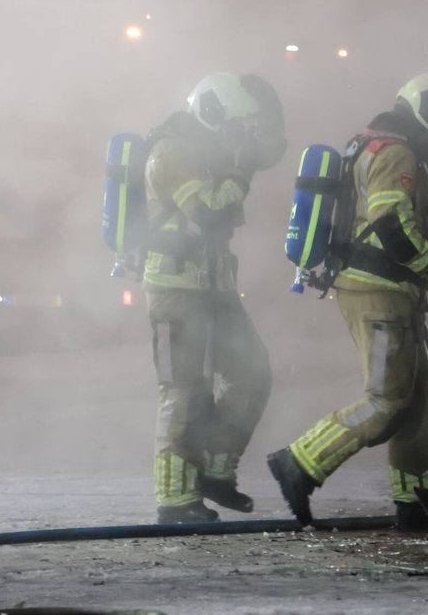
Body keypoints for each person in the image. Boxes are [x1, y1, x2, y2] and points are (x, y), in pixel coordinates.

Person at [267, 72, 428, 531]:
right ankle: (298, 464)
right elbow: (391, 223)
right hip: (377, 295)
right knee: (385, 401)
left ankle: (419, 502)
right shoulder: (394, 153)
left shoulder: (378, 146)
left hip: (392, 294)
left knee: (417, 403)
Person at [144, 72, 286, 523]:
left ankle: (216, 473)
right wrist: (240, 169)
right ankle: (175, 499)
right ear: (211, 115)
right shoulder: (174, 152)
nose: (235, 137)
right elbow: (209, 212)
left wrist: (265, 123)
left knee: (253, 373)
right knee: (184, 392)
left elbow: (269, 153)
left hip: (214, 287)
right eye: (234, 126)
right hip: (175, 291)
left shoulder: (206, 151)